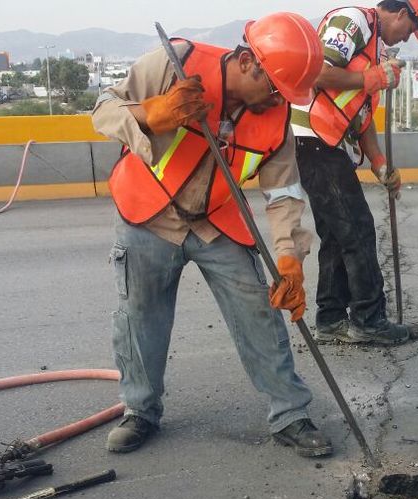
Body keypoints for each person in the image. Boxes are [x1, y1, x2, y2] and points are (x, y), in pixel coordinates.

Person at [91, 12, 333, 457]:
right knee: (140, 316)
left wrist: (289, 258)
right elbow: (103, 111)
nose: (278, 101)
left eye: (286, 94)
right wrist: (150, 114)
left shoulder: (276, 121)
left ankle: (290, 413)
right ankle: (140, 411)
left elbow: (283, 195)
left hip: (216, 220)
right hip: (147, 212)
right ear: (247, 61)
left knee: (260, 310)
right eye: (275, 88)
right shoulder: (174, 63)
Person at [291, 0, 418, 345]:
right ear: (402, 13)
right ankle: (369, 320)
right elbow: (316, 72)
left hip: (327, 143)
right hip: (313, 138)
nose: (405, 39)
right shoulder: (353, 22)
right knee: (357, 231)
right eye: (409, 31)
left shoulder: (375, 49)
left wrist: (379, 162)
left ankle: (330, 319)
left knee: (338, 235)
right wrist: (368, 77)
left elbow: (362, 115)